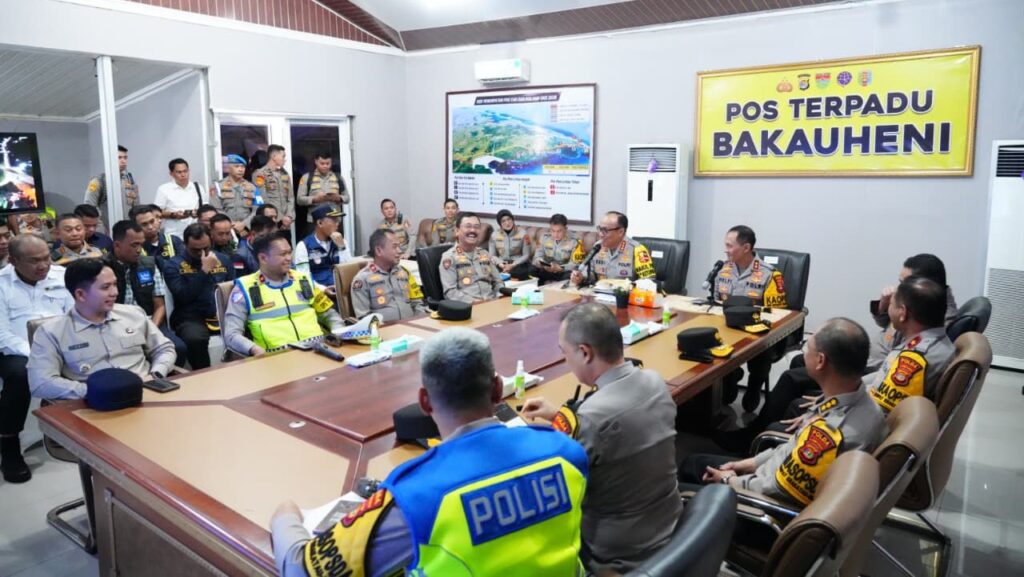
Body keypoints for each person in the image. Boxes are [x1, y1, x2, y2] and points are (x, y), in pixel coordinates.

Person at [271, 327, 589, 577]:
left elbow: (300, 569)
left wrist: (285, 515)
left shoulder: (413, 497)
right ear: (497, 390)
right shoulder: (567, 452)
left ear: (424, 402)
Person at [522, 303, 681, 573]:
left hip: (616, 555)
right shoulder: (655, 381)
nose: (566, 361)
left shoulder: (590, 419)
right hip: (669, 527)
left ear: (585, 353)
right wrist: (559, 416)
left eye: (565, 353)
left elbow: (552, 484)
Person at [680, 318, 886, 508]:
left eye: (807, 348)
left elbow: (776, 490)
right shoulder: (860, 403)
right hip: (768, 474)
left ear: (820, 361)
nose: (803, 354)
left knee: (687, 474)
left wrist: (730, 480)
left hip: (759, 506)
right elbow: (791, 447)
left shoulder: (831, 434)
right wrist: (749, 463)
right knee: (695, 462)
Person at [27, 258, 177, 399]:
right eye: (106, 287)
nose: (115, 292)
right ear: (80, 294)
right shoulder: (52, 332)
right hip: (94, 403)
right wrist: (93, 391)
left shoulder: (134, 314)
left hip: (146, 392)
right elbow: (41, 383)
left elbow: (164, 349)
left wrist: (155, 374)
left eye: (115, 284)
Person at [0, 234, 75, 483]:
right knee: (20, 375)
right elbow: (2, 334)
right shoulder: (2, 284)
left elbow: (75, 315)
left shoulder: (61, 276)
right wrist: (37, 354)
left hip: (62, 343)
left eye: (46, 258)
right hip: (17, 350)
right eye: (34, 261)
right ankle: (10, 446)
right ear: (13, 260)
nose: (43, 266)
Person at [224, 233, 345, 356]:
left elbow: (330, 315)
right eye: (283, 254)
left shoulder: (303, 280)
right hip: (277, 356)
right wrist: (254, 349)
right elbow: (231, 334)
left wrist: (338, 333)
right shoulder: (245, 288)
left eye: (289, 253)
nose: (289, 258)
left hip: (318, 350)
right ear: (263, 258)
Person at [713, 225, 787, 411]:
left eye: (730, 246)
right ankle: (730, 375)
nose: (725, 250)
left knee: (762, 349)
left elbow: (777, 315)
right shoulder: (723, 270)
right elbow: (715, 303)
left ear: (746, 248)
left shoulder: (770, 274)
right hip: (727, 328)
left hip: (756, 332)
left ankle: (754, 385)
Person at [866, 275, 955, 414]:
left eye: (891, 304)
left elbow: (879, 413)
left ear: (902, 313)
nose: (888, 308)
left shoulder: (913, 360)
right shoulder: (938, 341)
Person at [104, 220, 188, 363]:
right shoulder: (102, 269)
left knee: (178, 348)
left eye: (141, 244)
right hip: (115, 324)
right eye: (134, 245)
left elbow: (160, 306)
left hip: (149, 321)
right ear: (117, 245)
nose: (139, 250)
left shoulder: (149, 264)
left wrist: (150, 330)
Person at [163, 223, 235, 369]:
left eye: (206, 248)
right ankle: (204, 375)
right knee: (195, 339)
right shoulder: (173, 265)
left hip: (223, 312)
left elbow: (233, 289)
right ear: (184, 245)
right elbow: (183, 296)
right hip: (190, 315)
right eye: (195, 250)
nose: (201, 253)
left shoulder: (223, 260)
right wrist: (204, 271)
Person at [352, 229, 428, 322]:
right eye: (394, 247)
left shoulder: (404, 272)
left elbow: (417, 304)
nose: (400, 251)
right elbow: (364, 318)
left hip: (412, 326)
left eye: (399, 246)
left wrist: (423, 323)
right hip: (384, 329)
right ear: (379, 250)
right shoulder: (362, 280)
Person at [570, 211, 655, 285]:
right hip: (599, 295)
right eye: (600, 229)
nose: (600, 234)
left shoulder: (637, 250)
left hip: (624, 296)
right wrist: (581, 277)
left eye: (605, 230)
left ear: (621, 232)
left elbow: (648, 281)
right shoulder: (598, 247)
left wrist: (627, 288)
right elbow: (591, 273)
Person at [439, 212, 503, 303]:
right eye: (468, 226)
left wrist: (499, 297)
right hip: (468, 306)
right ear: (457, 231)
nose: (473, 230)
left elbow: (498, 282)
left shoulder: (484, 254)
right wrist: (476, 302)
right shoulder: (449, 258)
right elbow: (450, 292)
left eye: (476, 227)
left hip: (491, 303)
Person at [293, 205, 351, 290]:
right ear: (320, 223)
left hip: (341, 291)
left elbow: (348, 270)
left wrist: (342, 248)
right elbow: (303, 277)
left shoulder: (341, 241)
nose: (337, 224)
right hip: (318, 293)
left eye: (337, 220)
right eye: (334, 220)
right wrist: (324, 289)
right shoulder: (303, 246)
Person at [296, 150, 348, 235]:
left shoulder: (338, 177)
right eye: (322, 163)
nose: (325, 166)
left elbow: (347, 198)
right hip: (314, 222)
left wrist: (338, 198)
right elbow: (299, 199)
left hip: (334, 221)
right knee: (314, 243)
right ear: (316, 161)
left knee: (335, 243)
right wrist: (314, 199)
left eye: (328, 163)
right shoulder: (307, 177)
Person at [155, 158, 208, 239]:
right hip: (174, 234)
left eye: (185, 171)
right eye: (179, 172)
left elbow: (205, 208)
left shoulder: (197, 187)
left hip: (196, 234)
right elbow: (156, 212)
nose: (183, 175)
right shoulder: (164, 189)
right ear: (171, 173)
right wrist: (174, 215)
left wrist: (197, 213)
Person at [84, 144, 139, 217]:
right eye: (119, 158)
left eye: (125, 158)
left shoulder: (130, 181)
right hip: (106, 223)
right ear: (110, 159)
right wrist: (99, 224)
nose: (123, 161)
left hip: (127, 223)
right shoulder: (99, 181)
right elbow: (89, 207)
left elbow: (136, 207)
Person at [210, 154, 259, 234]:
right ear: (229, 168)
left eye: (243, 167)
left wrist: (244, 224)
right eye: (237, 166)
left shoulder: (253, 188)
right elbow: (216, 209)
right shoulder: (217, 187)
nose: (240, 170)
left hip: (247, 230)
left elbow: (257, 210)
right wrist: (231, 224)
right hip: (225, 231)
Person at [530, 213, 584, 285]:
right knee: (532, 269)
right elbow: (536, 257)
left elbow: (576, 264)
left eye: (559, 231)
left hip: (563, 272)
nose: (555, 234)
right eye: (553, 231)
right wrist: (543, 264)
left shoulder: (576, 241)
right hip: (547, 271)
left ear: (566, 228)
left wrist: (561, 268)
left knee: (574, 274)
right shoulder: (544, 238)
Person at [252, 145, 294, 231]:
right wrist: (280, 218)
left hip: (286, 223)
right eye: (283, 156)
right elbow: (262, 200)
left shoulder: (284, 174)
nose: (285, 159)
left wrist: (289, 216)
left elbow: (290, 198)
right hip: (270, 222)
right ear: (274, 156)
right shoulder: (260, 174)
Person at [488, 209, 533, 280]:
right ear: (500, 224)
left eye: (509, 219)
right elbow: (492, 255)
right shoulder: (494, 235)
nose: (507, 223)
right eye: (503, 221)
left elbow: (526, 255)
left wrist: (512, 265)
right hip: (501, 263)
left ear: (513, 219)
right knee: (487, 271)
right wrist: (501, 264)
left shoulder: (523, 233)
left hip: (517, 264)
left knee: (523, 272)